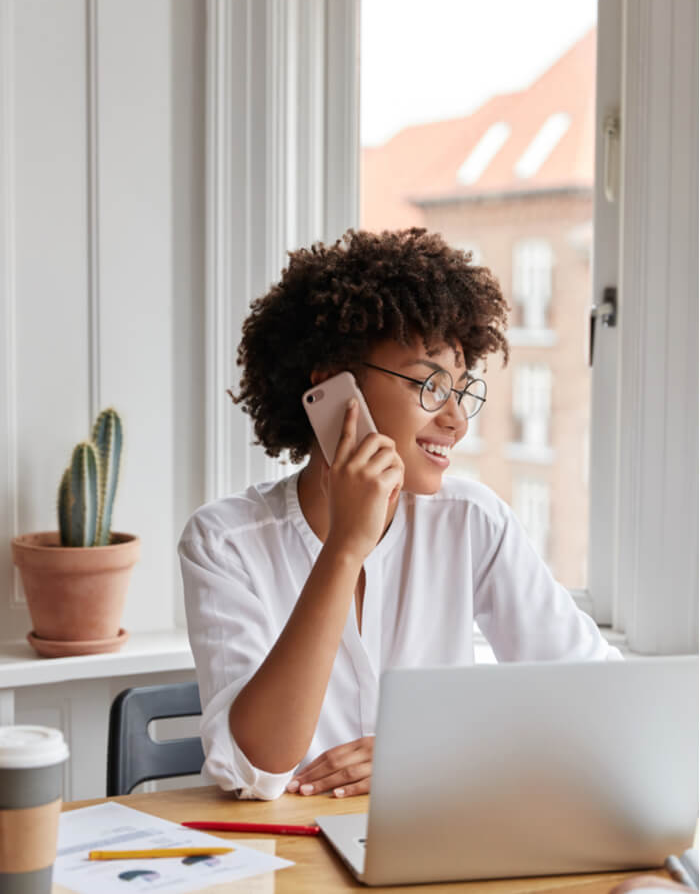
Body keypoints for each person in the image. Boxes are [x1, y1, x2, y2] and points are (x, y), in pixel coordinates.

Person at [178, 227, 622, 802]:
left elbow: (598, 694)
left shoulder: (472, 522)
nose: (457, 420)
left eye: (463, 389)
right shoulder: (225, 541)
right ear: (335, 388)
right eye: (431, 384)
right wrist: (345, 546)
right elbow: (256, 768)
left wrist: (432, 748)